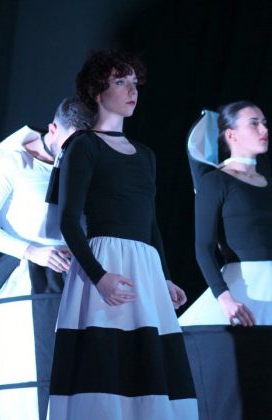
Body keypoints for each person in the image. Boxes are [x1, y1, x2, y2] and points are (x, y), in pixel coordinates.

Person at [47, 50, 198, 419]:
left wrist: (164, 276)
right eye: (120, 81)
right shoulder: (83, 146)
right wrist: (99, 277)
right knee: (104, 364)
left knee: (149, 362)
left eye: (134, 83)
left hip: (144, 266)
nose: (132, 91)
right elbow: (68, 221)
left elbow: (151, 223)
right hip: (104, 263)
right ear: (97, 91)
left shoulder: (146, 155)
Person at [0, 97, 94, 420]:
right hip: (28, 280)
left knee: (82, 385)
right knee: (35, 385)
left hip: (78, 278)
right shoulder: (11, 159)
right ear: (53, 129)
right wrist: (32, 251)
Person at [179, 101, 271, 326]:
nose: (264, 129)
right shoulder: (215, 182)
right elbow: (204, 248)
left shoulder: (268, 182)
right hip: (243, 288)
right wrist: (224, 297)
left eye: (264, 123)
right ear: (231, 134)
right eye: (254, 123)